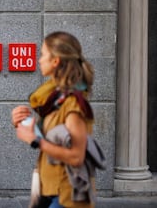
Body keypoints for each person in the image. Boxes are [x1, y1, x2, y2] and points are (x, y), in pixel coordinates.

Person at [11, 31, 96, 208]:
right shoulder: (57, 100)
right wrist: (23, 123)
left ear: (55, 61)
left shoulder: (73, 104)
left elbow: (76, 156)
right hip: (50, 190)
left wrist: (35, 141)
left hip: (67, 195)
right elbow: (55, 139)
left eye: (43, 55)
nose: (39, 60)